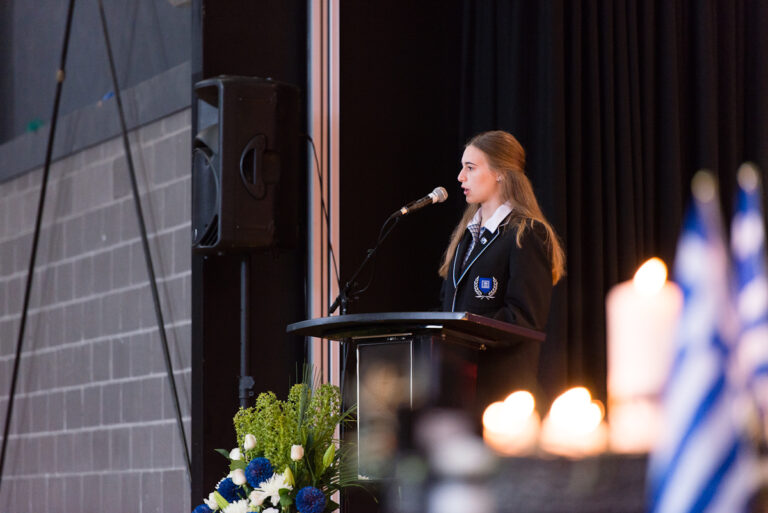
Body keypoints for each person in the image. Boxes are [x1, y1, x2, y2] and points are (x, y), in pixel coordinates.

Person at [439, 130, 565, 408]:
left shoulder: (527, 233)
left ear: (499, 173)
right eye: (462, 168)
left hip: (500, 393)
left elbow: (523, 318)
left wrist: (463, 332)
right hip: (458, 388)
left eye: (470, 168)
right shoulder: (465, 237)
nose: (460, 177)